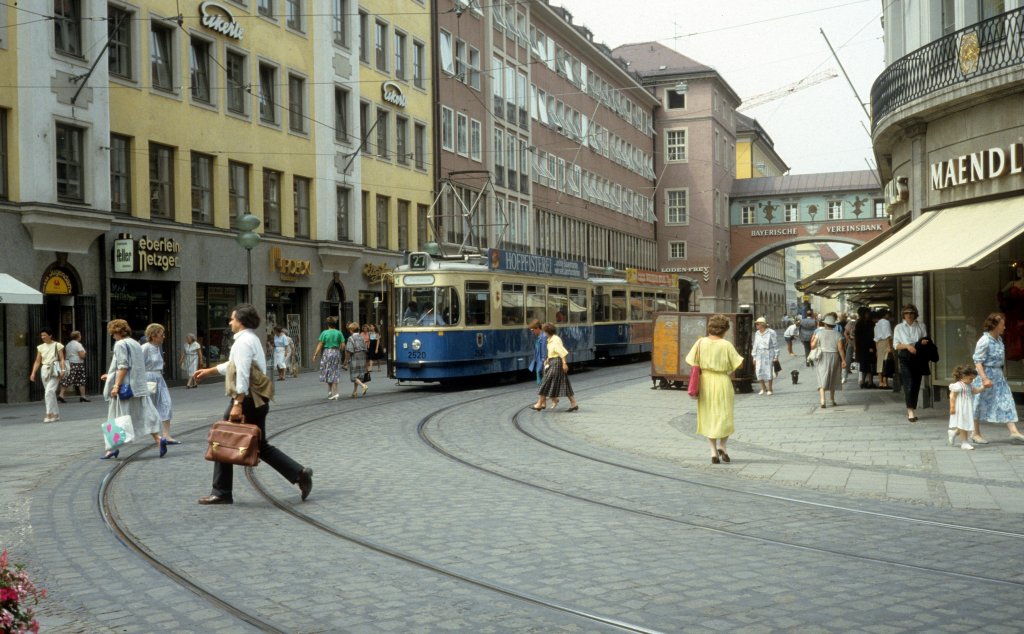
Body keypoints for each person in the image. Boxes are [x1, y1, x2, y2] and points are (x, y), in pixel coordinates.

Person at [191, 304, 313, 504]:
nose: (230, 322)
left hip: (247, 398)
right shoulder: (250, 339)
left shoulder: (243, 342)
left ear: (240, 321)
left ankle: (221, 492)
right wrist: (209, 371)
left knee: (223, 438)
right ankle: (299, 474)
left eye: (232, 318)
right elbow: (234, 365)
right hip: (256, 398)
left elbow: (243, 373)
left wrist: (238, 402)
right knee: (260, 444)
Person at [685, 315, 744, 464]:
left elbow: (691, 361)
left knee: (708, 415)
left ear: (710, 327)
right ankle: (723, 446)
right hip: (722, 381)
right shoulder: (726, 345)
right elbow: (739, 364)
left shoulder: (700, 343)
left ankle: (713, 452)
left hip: (705, 381)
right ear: (725, 330)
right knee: (724, 415)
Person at [100, 319, 162, 458]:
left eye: (113, 333)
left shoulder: (120, 344)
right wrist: (110, 375)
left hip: (125, 388)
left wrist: (116, 384)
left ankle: (112, 448)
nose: (112, 336)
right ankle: (159, 439)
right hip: (138, 386)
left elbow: (123, 365)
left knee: (115, 416)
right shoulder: (135, 343)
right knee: (143, 413)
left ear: (117, 332)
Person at [970, 312, 1024, 444]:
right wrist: (984, 379)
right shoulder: (984, 340)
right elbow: (977, 361)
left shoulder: (999, 339)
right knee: (978, 403)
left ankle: (1014, 431)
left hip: (998, 377)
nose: (1004, 327)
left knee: (1006, 401)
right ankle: (975, 433)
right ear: (994, 326)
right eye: (1002, 325)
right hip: (986, 376)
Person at [142, 323, 179, 449]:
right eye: (161, 334)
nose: (164, 336)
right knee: (148, 408)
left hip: (159, 378)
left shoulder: (158, 347)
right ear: (153, 335)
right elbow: (137, 365)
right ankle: (157, 436)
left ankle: (166, 435)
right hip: (149, 379)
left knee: (166, 403)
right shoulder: (145, 348)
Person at [893, 304, 929, 422]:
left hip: (918, 356)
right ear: (903, 314)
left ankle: (912, 406)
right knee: (909, 383)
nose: (909, 315)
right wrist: (908, 346)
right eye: (907, 313)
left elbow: (926, 340)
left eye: (911, 313)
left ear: (915, 314)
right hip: (905, 356)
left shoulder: (921, 325)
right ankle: (910, 411)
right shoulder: (899, 327)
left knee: (916, 383)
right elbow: (896, 345)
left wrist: (923, 343)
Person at [531, 322, 579, 412]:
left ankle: (539, 404)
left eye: (544, 331)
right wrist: (548, 358)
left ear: (547, 331)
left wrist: (564, 363)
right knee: (564, 383)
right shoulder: (550, 339)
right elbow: (553, 351)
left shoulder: (555, 339)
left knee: (545, 382)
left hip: (557, 363)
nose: (543, 333)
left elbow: (562, 352)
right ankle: (574, 404)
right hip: (553, 361)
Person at [29, 328, 65, 423]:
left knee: (49, 392)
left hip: (55, 369)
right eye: (42, 335)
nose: (43, 337)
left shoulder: (58, 345)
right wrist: (33, 373)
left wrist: (63, 369)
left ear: (50, 335)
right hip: (44, 370)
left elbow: (62, 358)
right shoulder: (40, 347)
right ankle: (56, 414)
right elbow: (37, 361)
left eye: (44, 335)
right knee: (50, 393)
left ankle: (49, 414)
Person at [949, 365, 988, 450]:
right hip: (961, 407)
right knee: (964, 424)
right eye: (971, 378)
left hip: (967, 407)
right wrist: (952, 407)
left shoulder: (969, 385)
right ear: (963, 376)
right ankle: (964, 442)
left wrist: (983, 387)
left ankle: (954, 432)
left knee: (963, 423)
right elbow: (952, 396)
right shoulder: (958, 385)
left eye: (973, 379)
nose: (972, 380)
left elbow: (975, 391)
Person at [811, 313, 846, 408]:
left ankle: (822, 400)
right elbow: (841, 348)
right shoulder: (837, 334)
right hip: (834, 356)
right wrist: (843, 360)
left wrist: (813, 340)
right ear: (833, 325)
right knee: (833, 377)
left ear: (825, 324)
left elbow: (812, 346)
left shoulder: (819, 333)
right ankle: (832, 399)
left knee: (821, 377)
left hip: (822, 356)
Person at [312, 317, 344, 400]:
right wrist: (340, 350)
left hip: (327, 353)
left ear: (328, 324)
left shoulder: (324, 333)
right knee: (335, 371)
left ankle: (332, 392)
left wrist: (315, 354)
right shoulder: (339, 333)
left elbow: (320, 344)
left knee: (328, 371)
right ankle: (334, 392)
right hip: (336, 352)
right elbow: (343, 345)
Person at [58, 330, 89, 403]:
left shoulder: (68, 344)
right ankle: (82, 396)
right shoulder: (78, 345)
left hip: (69, 362)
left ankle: (61, 394)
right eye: (80, 335)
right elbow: (82, 355)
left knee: (67, 378)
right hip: (77, 363)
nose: (81, 336)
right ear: (78, 336)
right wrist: (85, 354)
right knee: (81, 379)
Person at [342, 322, 370, 398]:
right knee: (358, 375)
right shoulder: (361, 337)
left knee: (354, 376)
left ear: (351, 330)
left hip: (355, 357)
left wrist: (345, 362)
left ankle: (363, 385)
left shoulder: (351, 338)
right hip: (362, 357)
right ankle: (355, 392)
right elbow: (366, 349)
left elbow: (349, 351)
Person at [751, 317, 779, 395]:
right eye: (756, 324)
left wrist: (776, 356)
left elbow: (775, 344)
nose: (756, 325)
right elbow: (755, 345)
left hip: (769, 353)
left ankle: (770, 388)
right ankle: (763, 388)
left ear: (762, 325)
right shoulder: (757, 333)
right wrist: (754, 356)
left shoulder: (771, 332)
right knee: (758, 370)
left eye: (757, 324)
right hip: (759, 353)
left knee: (769, 370)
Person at [854, 306, 877, 389]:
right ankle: (869, 381)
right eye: (867, 313)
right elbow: (871, 336)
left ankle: (864, 381)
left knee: (864, 365)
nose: (868, 314)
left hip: (861, 348)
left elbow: (857, 337)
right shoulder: (869, 323)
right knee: (869, 364)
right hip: (868, 347)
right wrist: (871, 346)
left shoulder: (859, 323)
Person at [873, 308, 894, 389]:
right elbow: (888, 335)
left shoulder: (877, 324)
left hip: (878, 344)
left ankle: (880, 382)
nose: (888, 315)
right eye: (887, 314)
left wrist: (876, 349)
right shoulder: (886, 322)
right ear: (885, 315)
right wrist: (890, 346)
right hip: (886, 342)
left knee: (880, 363)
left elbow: (875, 338)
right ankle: (885, 382)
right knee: (886, 362)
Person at [527, 319, 548, 388]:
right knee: (542, 386)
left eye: (533, 330)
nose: (532, 332)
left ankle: (552, 398)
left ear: (538, 328)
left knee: (543, 386)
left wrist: (542, 364)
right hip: (539, 362)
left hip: (541, 363)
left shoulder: (543, 337)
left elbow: (544, 351)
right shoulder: (540, 337)